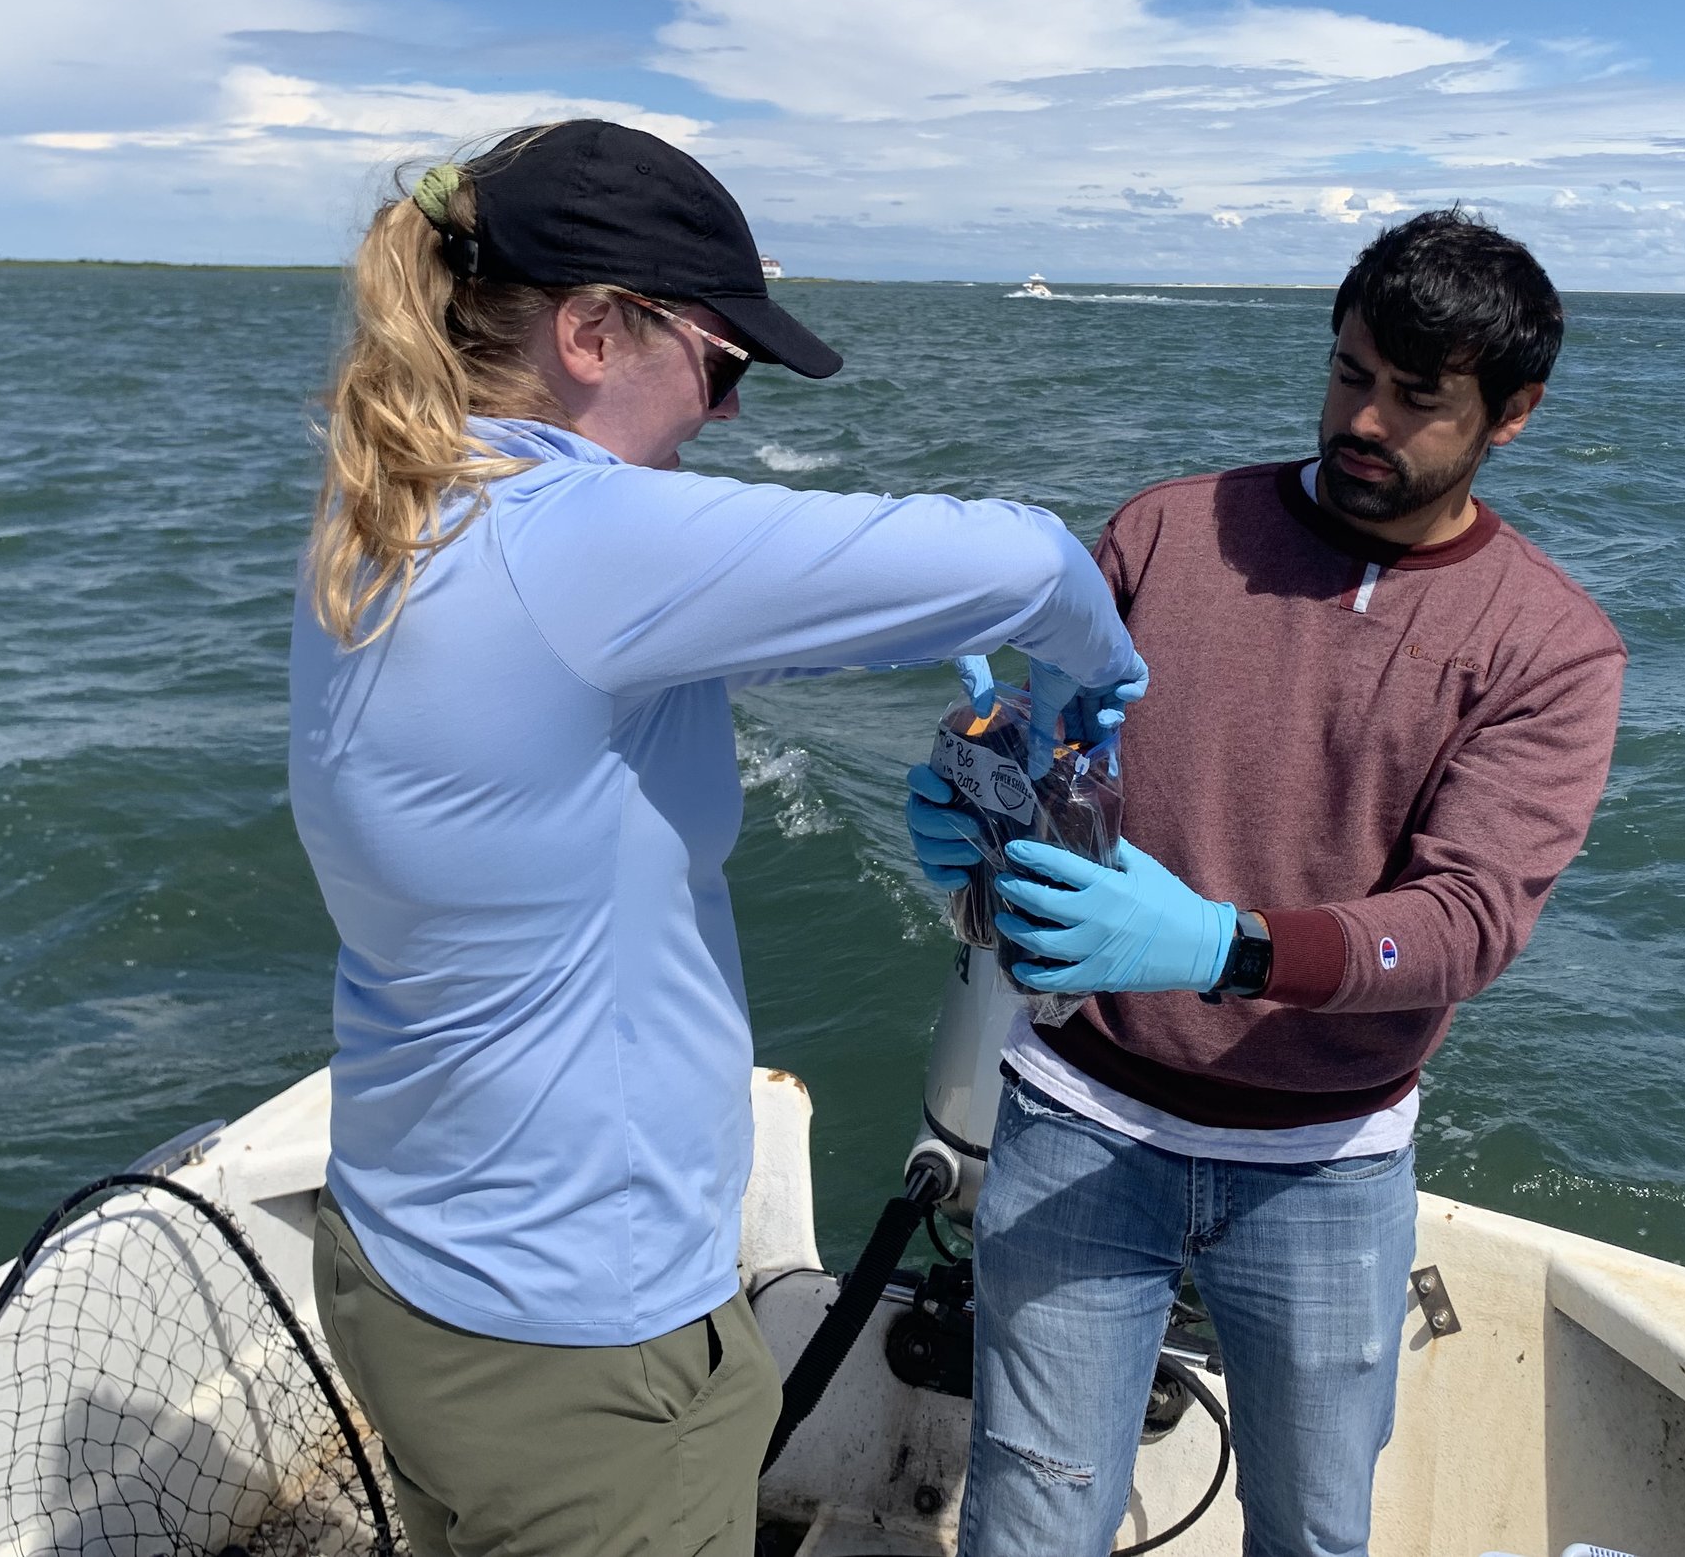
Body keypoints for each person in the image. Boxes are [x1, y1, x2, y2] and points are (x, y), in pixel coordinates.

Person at [289, 119, 1144, 1557]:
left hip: (405, 1256)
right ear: (591, 330)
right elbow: (1028, 555)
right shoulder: (579, 546)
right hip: (579, 1342)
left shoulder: (393, 503)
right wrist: (1086, 671)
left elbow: (638, 637)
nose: (732, 412)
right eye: (722, 364)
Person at [907, 208, 1626, 1557]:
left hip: (1326, 1166)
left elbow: (1467, 926)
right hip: (1077, 1114)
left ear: (1512, 415)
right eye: (1352, 371)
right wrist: (966, 781)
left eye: (1419, 399)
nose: (1365, 419)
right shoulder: (1167, 533)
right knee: (1027, 1524)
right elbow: (1048, 747)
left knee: (1311, 1531)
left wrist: (1222, 948)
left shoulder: (1551, 647)